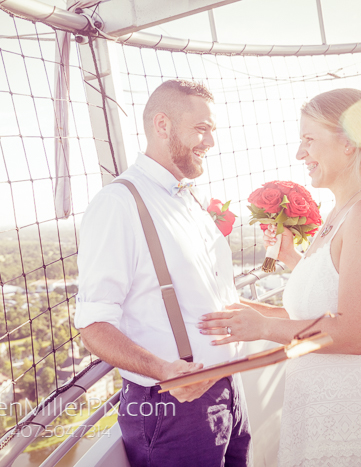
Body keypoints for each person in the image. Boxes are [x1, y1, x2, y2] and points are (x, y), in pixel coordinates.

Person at [198, 88, 361, 466]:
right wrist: (244, 305)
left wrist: (260, 326)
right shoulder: (345, 209)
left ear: (349, 143)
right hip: (332, 412)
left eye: (309, 140)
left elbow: (355, 333)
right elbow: (324, 302)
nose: (299, 154)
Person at [75, 79, 252, 466]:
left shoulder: (189, 198)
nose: (210, 142)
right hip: (173, 409)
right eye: (201, 129)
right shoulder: (118, 204)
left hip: (229, 392)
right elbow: (93, 324)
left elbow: (209, 295)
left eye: (212, 130)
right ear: (162, 125)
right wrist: (164, 370)